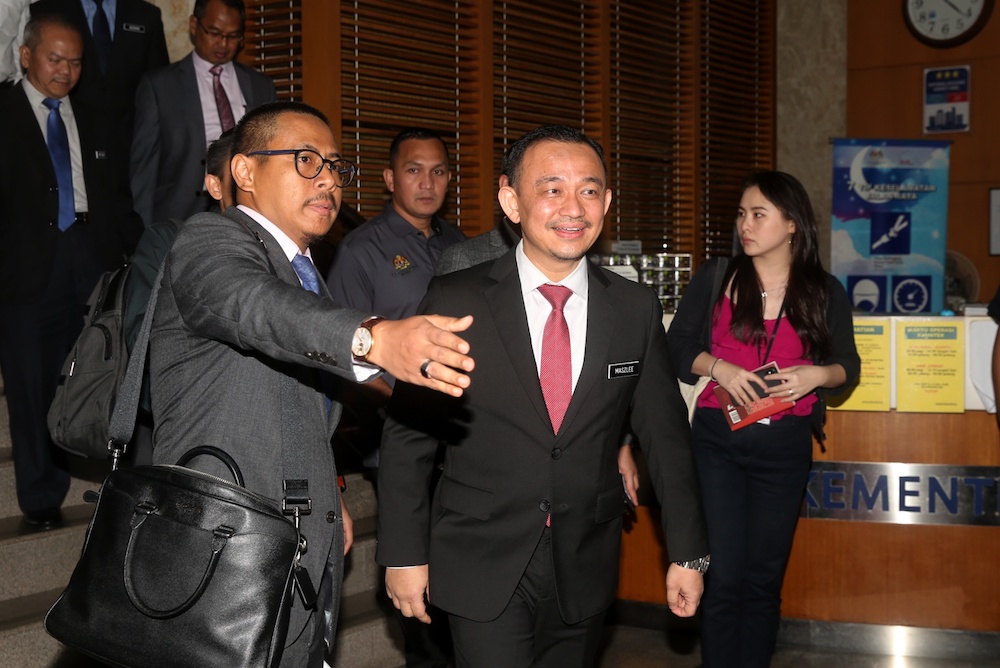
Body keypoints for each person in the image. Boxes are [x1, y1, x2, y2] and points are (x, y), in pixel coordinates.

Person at [148, 100, 475, 668]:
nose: (327, 179)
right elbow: (254, 307)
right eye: (304, 160)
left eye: (332, 165)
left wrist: (329, 496)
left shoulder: (302, 269)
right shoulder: (211, 240)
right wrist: (373, 337)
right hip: (223, 542)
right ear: (245, 172)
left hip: (298, 532)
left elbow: (297, 395)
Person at [377, 124, 709, 668]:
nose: (572, 207)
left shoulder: (633, 309)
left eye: (589, 189)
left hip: (584, 561)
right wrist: (403, 554)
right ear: (512, 201)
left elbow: (667, 440)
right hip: (479, 555)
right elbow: (411, 436)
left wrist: (689, 552)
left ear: (606, 202)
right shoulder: (457, 297)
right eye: (551, 188)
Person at [666, 171, 861, 668]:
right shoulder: (717, 278)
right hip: (717, 441)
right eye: (741, 214)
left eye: (758, 214)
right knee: (725, 574)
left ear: (792, 224)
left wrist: (815, 375)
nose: (744, 225)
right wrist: (720, 367)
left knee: (763, 578)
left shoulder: (823, 290)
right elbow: (675, 348)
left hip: (785, 445)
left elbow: (848, 369)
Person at [0, 13, 141, 529]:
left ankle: (110, 483)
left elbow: (117, 195)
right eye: (54, 59)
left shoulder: (96, 114)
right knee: (31, 383)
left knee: (98, 373)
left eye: (75, 62)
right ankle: (41, 497)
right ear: (26, 55)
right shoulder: (4, 109)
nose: (65, 70)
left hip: (89, 256)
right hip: (26, 268)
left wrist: (133, 254)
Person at [129, 0, 277, 227]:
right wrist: (142, 230)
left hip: (249, 211)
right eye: (214, 33)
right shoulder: (160, 86)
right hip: (180, 213)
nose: (223, 44)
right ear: (193, 25)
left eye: (233, 36)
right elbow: (144, 168)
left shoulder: (260, 86)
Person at [26, 0, 168, 178]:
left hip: (130, 152)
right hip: (64, 144)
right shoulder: (45, 10)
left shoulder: (146, 15)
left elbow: (160, 89)